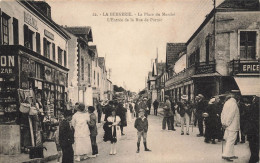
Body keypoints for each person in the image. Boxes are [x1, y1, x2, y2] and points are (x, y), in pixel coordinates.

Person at [221, 93, 240, 162]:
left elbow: (222, 113)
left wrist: (223, 123)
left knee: (229, 140)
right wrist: (227, 123)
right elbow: (231, 115)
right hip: (232, 126)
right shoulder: (234, 104)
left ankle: (231, 154)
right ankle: (226, 155)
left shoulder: (226, 103)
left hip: (227, 125)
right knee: (231, 141)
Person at [243, 96, 259, 163]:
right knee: (256, 143)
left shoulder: (254, 106)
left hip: (253, 128)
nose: (253, 98)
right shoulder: (255, 105)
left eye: (254, 97)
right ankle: (256, 157)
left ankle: (253, 158)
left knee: (252, 144)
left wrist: (247, 108)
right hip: (256, 128)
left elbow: (248, 115)